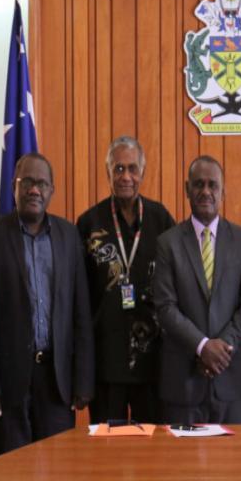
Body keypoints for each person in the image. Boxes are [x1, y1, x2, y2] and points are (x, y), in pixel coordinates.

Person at [0, 153, 94, 457]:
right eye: (27, 182)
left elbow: (81, 311)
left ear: (51, 191)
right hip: (10, 381)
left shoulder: (69, 235)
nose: (34, 190)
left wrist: (82, 379)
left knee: (57, 472)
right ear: (14, 187)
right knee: (9, 476)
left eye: (42, 183)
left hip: (57, 380)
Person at [153, 156, 241, 423]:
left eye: (213, 185)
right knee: (183, 465)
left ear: (223, 192)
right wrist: (202, 346)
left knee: (233, 464)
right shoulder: (168, 243)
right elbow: (165, 307)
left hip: (231, 381)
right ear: (187, 189)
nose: (206, 192)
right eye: (199, 184)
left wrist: (221, 348)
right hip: (183, 383)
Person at [77, 136, 174, 423]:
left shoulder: (162, 221)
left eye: (132, 169)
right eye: (118, 169)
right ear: (108, 173)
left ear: (143, 173)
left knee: (153, 454)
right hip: (106, 361)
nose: (126, 177)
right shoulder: (88, 223)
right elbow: (80, 299)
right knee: (107, 456)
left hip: (153, 362)